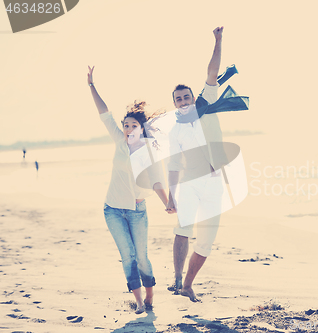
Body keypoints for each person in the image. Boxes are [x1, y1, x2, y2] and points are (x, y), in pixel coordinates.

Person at [87, 66, 169, 314]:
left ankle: (151, 294)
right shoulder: (119, 142)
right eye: (126, 125)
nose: (128, 129)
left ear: (141, 128)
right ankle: (140, 302)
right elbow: (104, 114)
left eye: (133, 125)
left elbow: (157, 181)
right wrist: (91, 85)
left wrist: (168, 203)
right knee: (127, 255)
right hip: (112, 209)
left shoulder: (150, 151)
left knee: (141, 256)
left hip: (137, 210)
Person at [166, 26, 225, 302]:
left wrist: (218, 41)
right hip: (190, 183)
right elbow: (174, 165)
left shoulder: (206, 103)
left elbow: (212, 72)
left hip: (214, 184)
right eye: (178, 99)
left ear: (193, 97)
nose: (183, 100)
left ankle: (188, 283)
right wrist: (170, 195)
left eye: (186, 96)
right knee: (182, 230)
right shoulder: (175, 132)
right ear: (175, 104)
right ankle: (177, 279)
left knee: (206, 242)